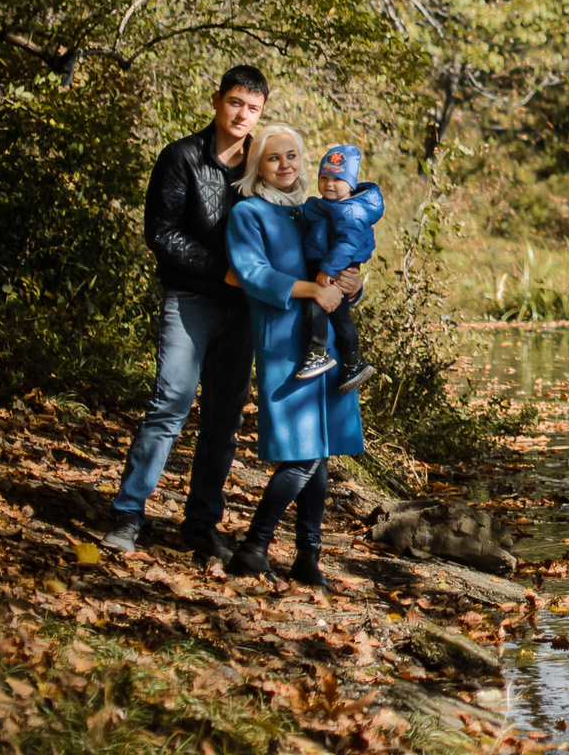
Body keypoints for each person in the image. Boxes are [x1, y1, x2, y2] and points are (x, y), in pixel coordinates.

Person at [102, 65, 268, 560]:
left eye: (253, 108)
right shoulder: (180, 157)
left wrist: (342, 276)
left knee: (224, 420)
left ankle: (201, 523)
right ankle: (128, 514)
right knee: (169, 405)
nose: (242, 114)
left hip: (243, 311)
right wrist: (222, 272)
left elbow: (292, 228)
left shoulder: (264, 160)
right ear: (217, 100)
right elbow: (162, 232)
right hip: (191, 300)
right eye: (236, 102)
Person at [224, 123, 367, 589]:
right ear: (257, 165)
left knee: (320, 454)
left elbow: (339, 265)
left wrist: (353, 284)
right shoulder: (249, 213)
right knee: (301, 457)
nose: (285, 165)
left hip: (324, 340)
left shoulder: (311, 211)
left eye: (292, 156)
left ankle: (308, 557)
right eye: (273, 158)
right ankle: (253, 547)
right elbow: (250, 273)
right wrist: (312, 290)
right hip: (286, 343)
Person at [292, 143, 383, 392]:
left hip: (335, 265)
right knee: (332, 311)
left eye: (337, 179)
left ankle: (329, 355)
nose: (329, 184)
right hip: (326, 263)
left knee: (326, 308)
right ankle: (348, 360)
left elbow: (347, 243)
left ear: (351, 184)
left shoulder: (351, 211)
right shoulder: (328, 206)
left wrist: (329, 270)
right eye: (324, 177)